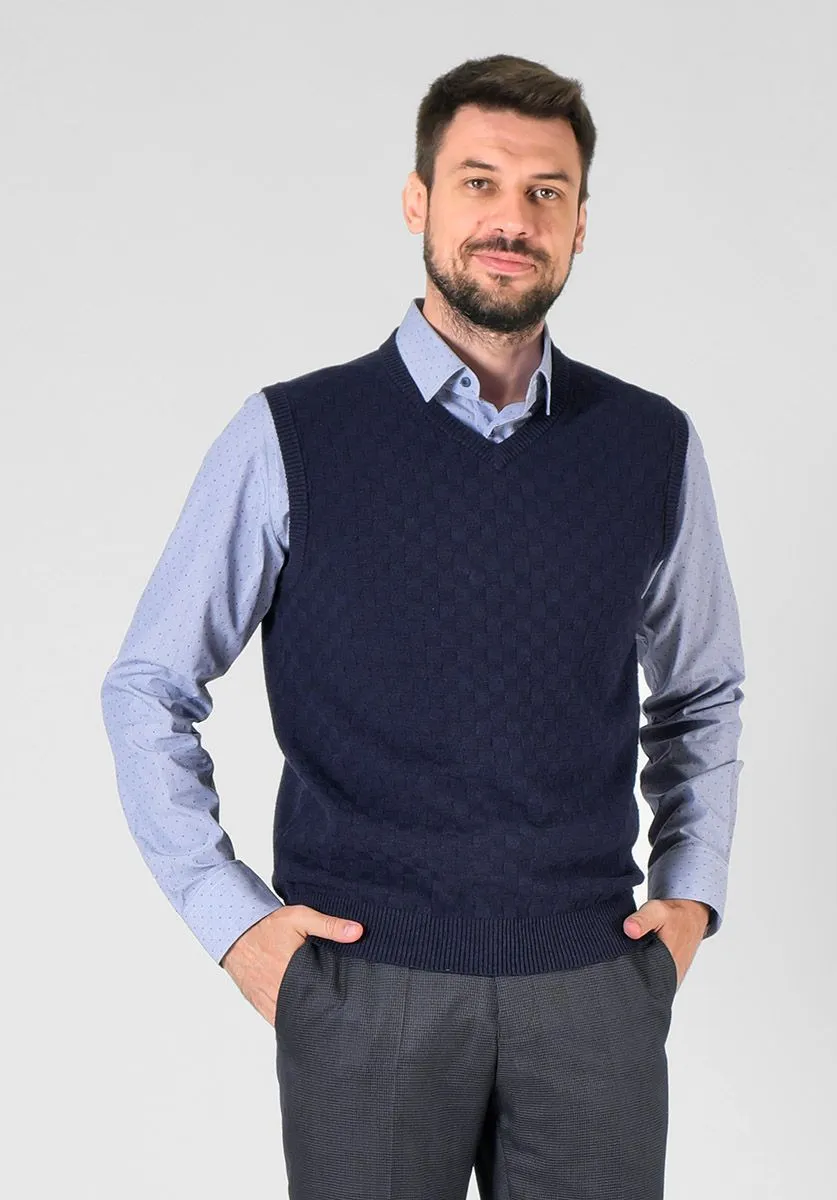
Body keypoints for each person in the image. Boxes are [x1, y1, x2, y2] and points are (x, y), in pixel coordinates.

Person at [100, 52, 745, 1200]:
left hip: (593, 990)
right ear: (418, 202)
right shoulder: (292, 436)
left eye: (545, 192)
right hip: (366, 991)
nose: (512, 220)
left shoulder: (651, 444)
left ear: (581, 225)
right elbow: (148, 685)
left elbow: (701, 693)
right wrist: (233, 924)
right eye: (478, 183)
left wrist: (690, 895)